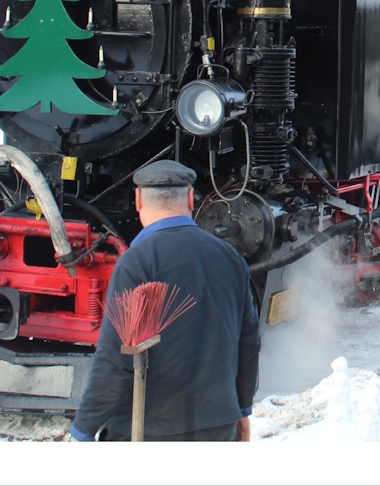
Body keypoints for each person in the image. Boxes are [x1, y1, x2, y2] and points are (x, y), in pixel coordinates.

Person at [69, 160, 261, 441]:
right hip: (219, 427)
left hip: (147, 431)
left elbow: (115, 358)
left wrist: (84, 428)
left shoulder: (138, 263)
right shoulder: (230, 257)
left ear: (138, 200)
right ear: (190, 198)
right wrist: (242, 409)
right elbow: (249, 343)